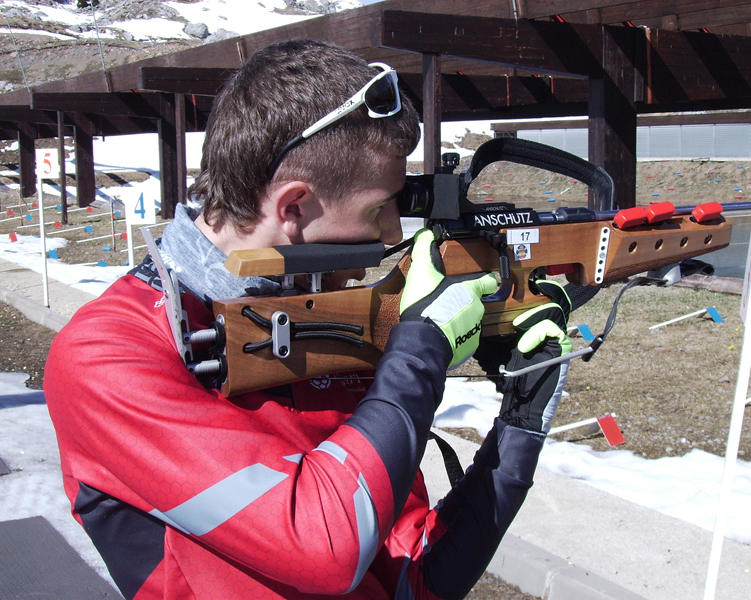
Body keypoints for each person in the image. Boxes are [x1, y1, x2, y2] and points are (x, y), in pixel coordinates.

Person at [44, 39, 572, 600]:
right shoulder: (107, 356)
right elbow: (327, 545)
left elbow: (410, 575)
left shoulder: (323, 325)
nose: (395, 234)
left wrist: (520, 424)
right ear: (293, 208)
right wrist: (422, 346)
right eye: (378, 209)